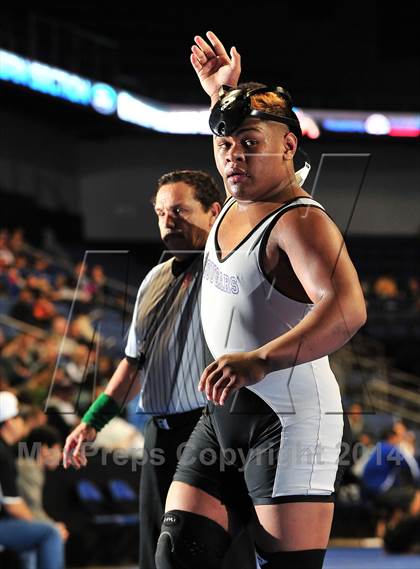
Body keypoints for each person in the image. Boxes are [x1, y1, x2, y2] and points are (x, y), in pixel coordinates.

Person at [154, 32, 367, 569]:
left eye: (251, 143)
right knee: (179, 556)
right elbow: (234, 132)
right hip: (223, 413)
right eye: (225, 145)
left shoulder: (300, 220)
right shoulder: (235, 197)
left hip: (293, 419)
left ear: (289, 146)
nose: (234, 156)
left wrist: (262, 358)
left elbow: (348, 311)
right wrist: (221, 94)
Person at [63, 170, 226, 569]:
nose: (168, 220)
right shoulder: (152, 280)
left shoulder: (230, 271)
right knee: (155, 551)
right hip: (159, 435)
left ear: (214, 212)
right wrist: (91, 422)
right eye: (160, 212)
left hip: (209, 431)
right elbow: (133, 363)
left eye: (181, 210)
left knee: (206, 550)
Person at [0, 391, 65, 569]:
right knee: (50, 533)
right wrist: (49, 526)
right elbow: (14, 506)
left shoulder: (8, 453)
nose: (23, 423)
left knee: (38, 534)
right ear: (8, 422)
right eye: (19, 418)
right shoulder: (8, 457)